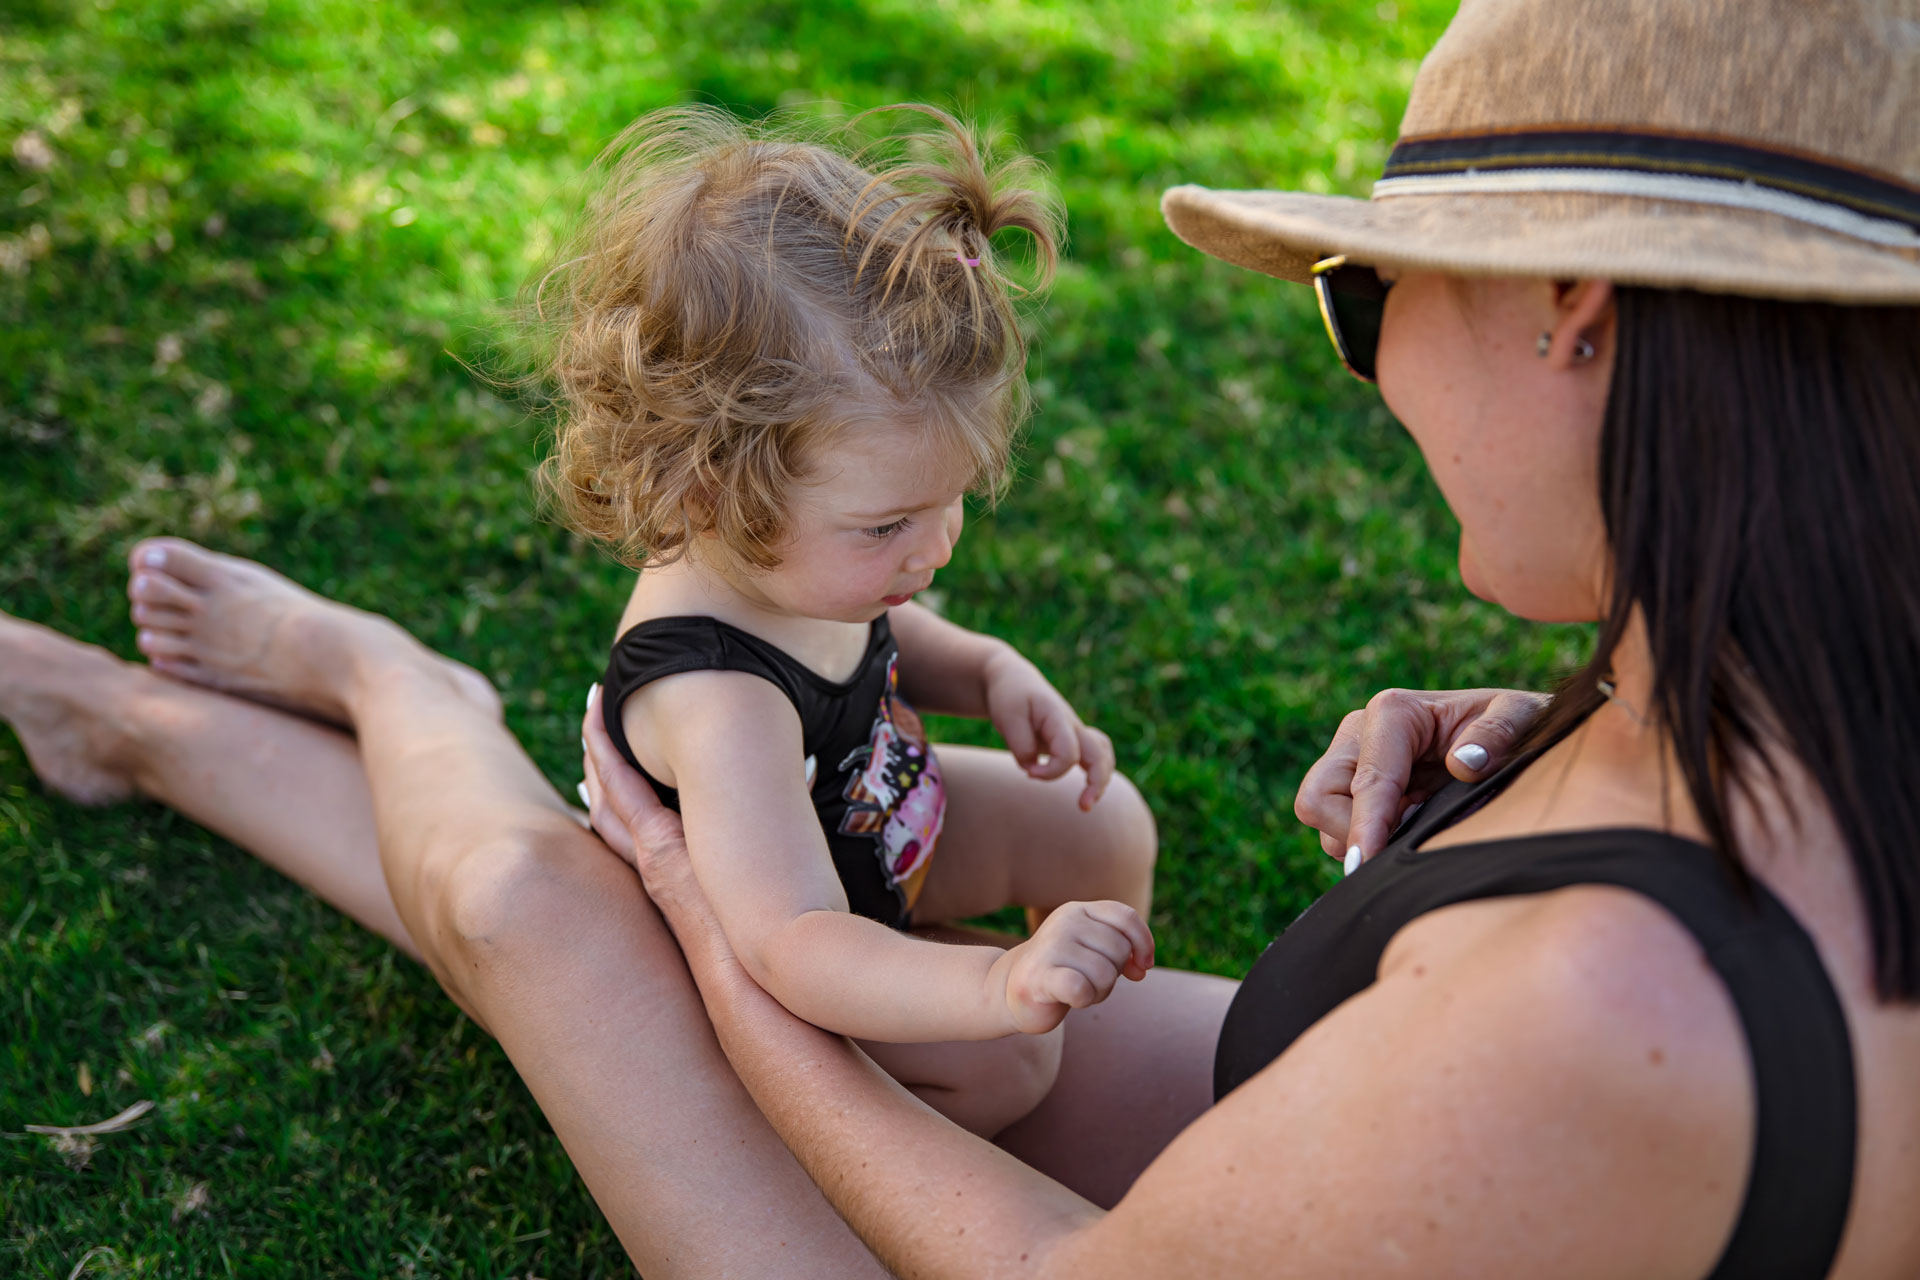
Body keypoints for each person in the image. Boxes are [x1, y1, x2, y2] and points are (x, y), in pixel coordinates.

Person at [5, 0, 1916, 1276]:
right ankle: (230, 713)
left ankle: (378, 684)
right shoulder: (1797, 705)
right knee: (587, 903)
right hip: (1299, 1143)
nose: (1377, 368)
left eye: (1370, 295)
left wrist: (740, 982)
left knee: (563, 916)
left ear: (1573, 307)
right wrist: (1533, 752)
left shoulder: (1607, 1001)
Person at [535, 104, 1156, 1137]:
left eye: (951, 501)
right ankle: (844, 1143)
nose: (936, 547)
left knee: (1103, 821)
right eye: (887, 525)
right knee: (1011, 1059)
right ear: (707, 490)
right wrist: (992, 986)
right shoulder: (717, 699)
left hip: (880, 830)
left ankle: (1107, 1007)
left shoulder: (799, 569)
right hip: (787, 955)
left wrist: (988, 670)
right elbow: (792, 939)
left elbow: (870, 635)